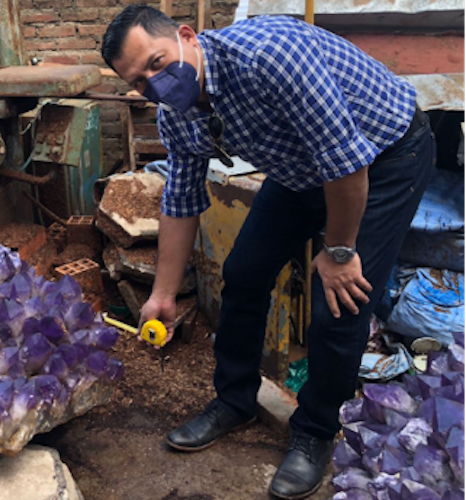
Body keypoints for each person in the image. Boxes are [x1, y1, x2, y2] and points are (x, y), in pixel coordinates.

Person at [101, 7, 434, 499]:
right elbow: (180, 201)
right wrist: (163, 294)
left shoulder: (271, 56)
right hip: (300, 168)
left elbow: (347, 165)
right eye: (140, 82)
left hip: (385, 157)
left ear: (187, 36)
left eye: (157, 63)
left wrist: (339, 252)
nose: (156, 83)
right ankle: (234, 401)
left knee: (338, 303)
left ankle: (315, 431)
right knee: (243, 273)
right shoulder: (177, 114)